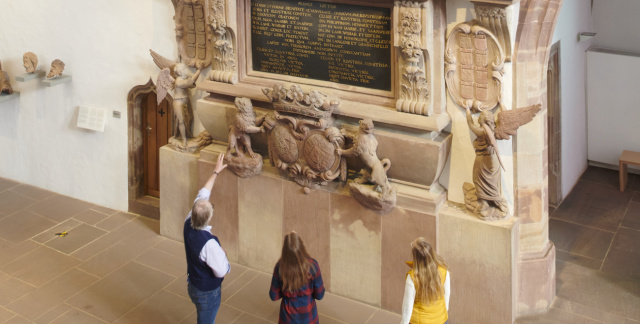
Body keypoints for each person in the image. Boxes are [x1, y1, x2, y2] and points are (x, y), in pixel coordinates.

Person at [184, 153, 230, 324]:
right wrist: (224, 257)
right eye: (212, 207)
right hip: (207, 292)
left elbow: (203, 194)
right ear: (208, 218)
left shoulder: (189, 221)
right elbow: (221, 270)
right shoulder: (209, 245)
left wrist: (215, 172)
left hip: (193, 285)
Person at [269, 232, 325, 324]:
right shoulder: (313, 266)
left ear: (284, 251)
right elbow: (320, 295)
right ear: (301, 248)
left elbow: (273, 296)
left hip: (287, 319)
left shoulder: (279, 268)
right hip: (309, 318)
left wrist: (288, 294)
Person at [401, 237, 450, 324]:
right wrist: (441, 314)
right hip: (441, 319)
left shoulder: (413, 277)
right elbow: (446, 295)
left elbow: (407, 308)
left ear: (416, 257)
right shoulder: (443, 271)